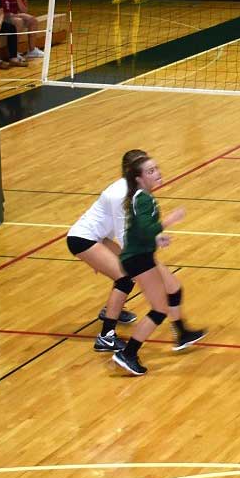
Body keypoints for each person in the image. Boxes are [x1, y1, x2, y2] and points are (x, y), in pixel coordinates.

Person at [109, 152, 208, 375]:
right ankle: (127, 354)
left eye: (157, 169)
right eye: (151, 171)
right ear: (138, 178)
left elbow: (140, 231)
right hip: (138, 259)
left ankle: (132, 353)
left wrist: (155, 238)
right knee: (159, 309)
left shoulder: (142, 197)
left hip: (140, 256)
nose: (158, 173)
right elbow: (145, 228)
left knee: (162, 304)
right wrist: (168, 221)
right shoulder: (143, 199)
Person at [68, 150, 145, 353]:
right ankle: (106, 337)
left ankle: (111, 311)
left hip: (98, 237)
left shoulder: (134, 190)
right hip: (83, 239)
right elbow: (124, 234)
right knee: (125, 278)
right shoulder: (120, 194)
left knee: (128, 271)